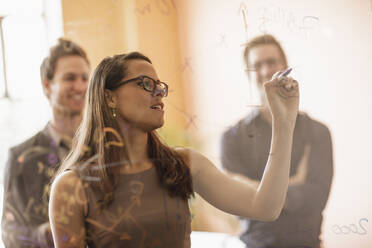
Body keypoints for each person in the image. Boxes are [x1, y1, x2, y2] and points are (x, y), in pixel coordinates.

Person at [49, 51, 299, 248]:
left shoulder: (184, 164)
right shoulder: (72, 187)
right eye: (145, 84)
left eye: (160, 86)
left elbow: (265, 207)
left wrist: (284, 123)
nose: (159, 92)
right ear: (109, 98)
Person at [221, 34, 333, 248]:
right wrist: (294, 183)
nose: (265, 71)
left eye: (271, 62)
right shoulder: (232, 138)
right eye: (257, 65)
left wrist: (255, 192)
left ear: (285, 66)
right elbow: (235, 203)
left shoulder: (318, 132)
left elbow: (315, 199)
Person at [1, 38, 90, 247]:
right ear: (47, 85)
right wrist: (45, 233)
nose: (80, 86)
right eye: (70, 78)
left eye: (85, 78)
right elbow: (9, 233)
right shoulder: (21, 158)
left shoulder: (108, 147)